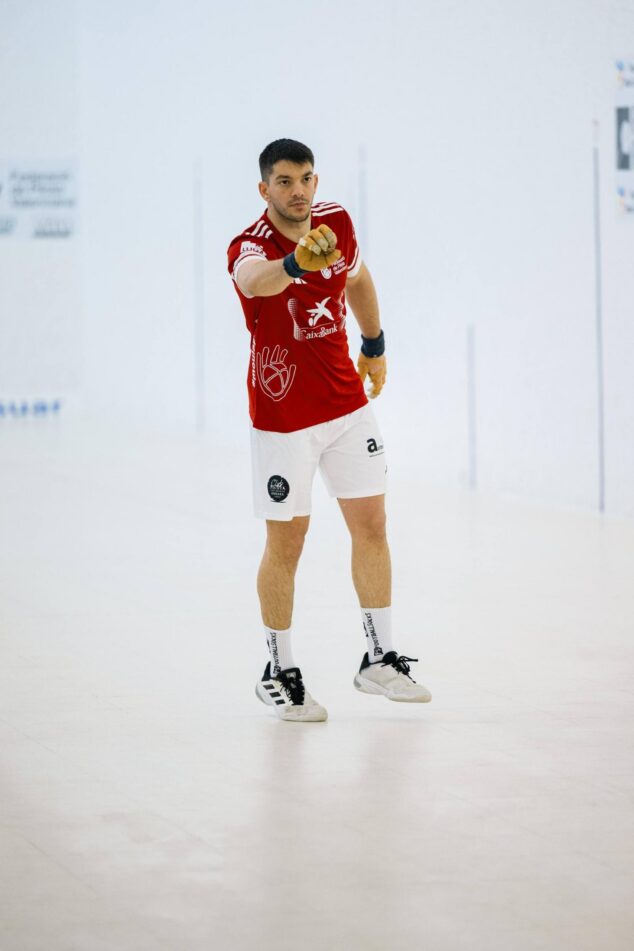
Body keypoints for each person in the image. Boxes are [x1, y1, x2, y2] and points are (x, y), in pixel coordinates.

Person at [227, 138, 431, 721]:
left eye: (308, 179)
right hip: (283, 418)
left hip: (346, 406)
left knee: (372, 524)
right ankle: (278, 669)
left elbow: (359, 279)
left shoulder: (336, 221)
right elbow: (255, 283)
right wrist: (296, 265)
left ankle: (379, 659)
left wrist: (375, 344)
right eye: (286, 181)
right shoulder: (249, 246)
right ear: (264, 188)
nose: (299, 191)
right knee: (287, 544)